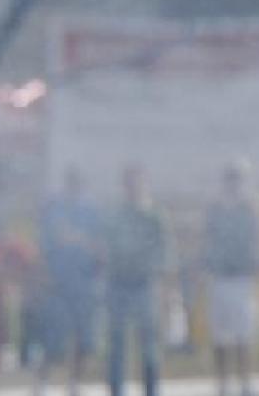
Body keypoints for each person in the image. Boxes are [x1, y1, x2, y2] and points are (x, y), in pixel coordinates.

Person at [104, 165, 174, 396]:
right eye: (129, 183)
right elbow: (108, 248)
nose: (134, 188)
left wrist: (164, 289)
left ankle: (152, 390)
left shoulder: (154, 216)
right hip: (119, 285)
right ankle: (116, 390)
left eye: (138, 183)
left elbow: (164, 254)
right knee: (117, 344)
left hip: (145, 285)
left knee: (149, 346)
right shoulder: (116, 216)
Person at [202, 161, 259, 396]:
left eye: (238, 178)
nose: (234, 183)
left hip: (243, 278)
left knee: (245, 333)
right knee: (220, 336)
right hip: (220, 277)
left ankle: (246, 382)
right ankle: (223, 383)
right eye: (230, 178)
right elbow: (208, 238)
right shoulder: (215, 208)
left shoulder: (251, 207)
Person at [37, 168, 102, 396]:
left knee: (84, 339)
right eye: (72, 183)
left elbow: (99, 246)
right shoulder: (55, 209)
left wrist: (81, 242)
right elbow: (47, 244)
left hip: (84, 282)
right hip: (59, 282)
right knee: (54, 337)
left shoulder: (92, 212)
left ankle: (75, 383)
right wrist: (46, 273)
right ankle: (43, 383)